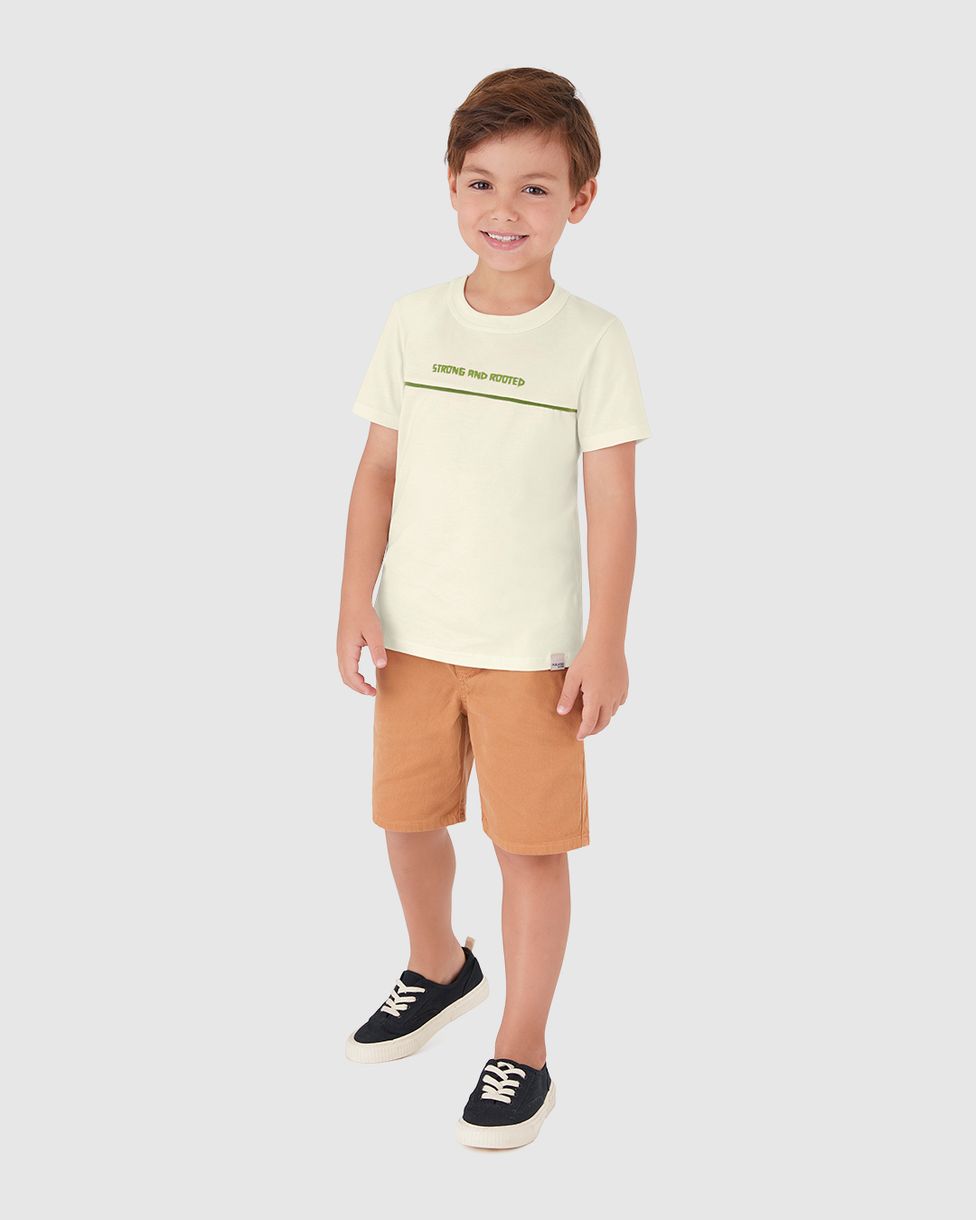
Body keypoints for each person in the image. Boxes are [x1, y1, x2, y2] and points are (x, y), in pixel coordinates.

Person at [337, 67, 651, 1149]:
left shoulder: (594, 339)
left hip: (531, 654)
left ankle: (523, 1043)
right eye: (481, 183)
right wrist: (354, 599)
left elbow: (613, 503)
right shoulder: (412, 320)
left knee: (530, 847)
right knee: (406, 820)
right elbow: (377, 471)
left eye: (534, 188)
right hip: (414, 637)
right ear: (450, 185)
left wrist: (606, 640)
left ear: (581, 199)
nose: (503, 210)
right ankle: (438, 966)